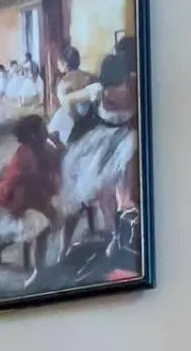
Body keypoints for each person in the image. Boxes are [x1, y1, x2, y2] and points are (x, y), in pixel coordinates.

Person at [0, 114, 61, 282]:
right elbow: (28, 191)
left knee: (51, 218)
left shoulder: (39, 147)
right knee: (42, 227)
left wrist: (56, 147)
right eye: (43, 127)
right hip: (12, 202)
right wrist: (49, 211)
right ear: (34, 134)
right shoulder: (28, 156)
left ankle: (41, 268)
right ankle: (38, 272)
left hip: (26, 195)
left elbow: (51, 165)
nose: (47, 129)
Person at [58, 47, 138, 255]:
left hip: (119, 143)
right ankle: (112, 237)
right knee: (96, 190)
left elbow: (67, 100)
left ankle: (116, 236)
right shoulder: (105, 90)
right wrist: (77, 118)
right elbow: (68, 100)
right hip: (108, 141)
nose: (115, 91)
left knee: (108, 192)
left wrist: (76, 117)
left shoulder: (123, 88)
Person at [47, 45, 97, 144]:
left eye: (58, 62)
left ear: (65, 64)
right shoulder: (89, 76)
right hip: (89, 116)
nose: (57, 65)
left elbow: (68, 108)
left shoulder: (63, 83)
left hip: (72, 118)